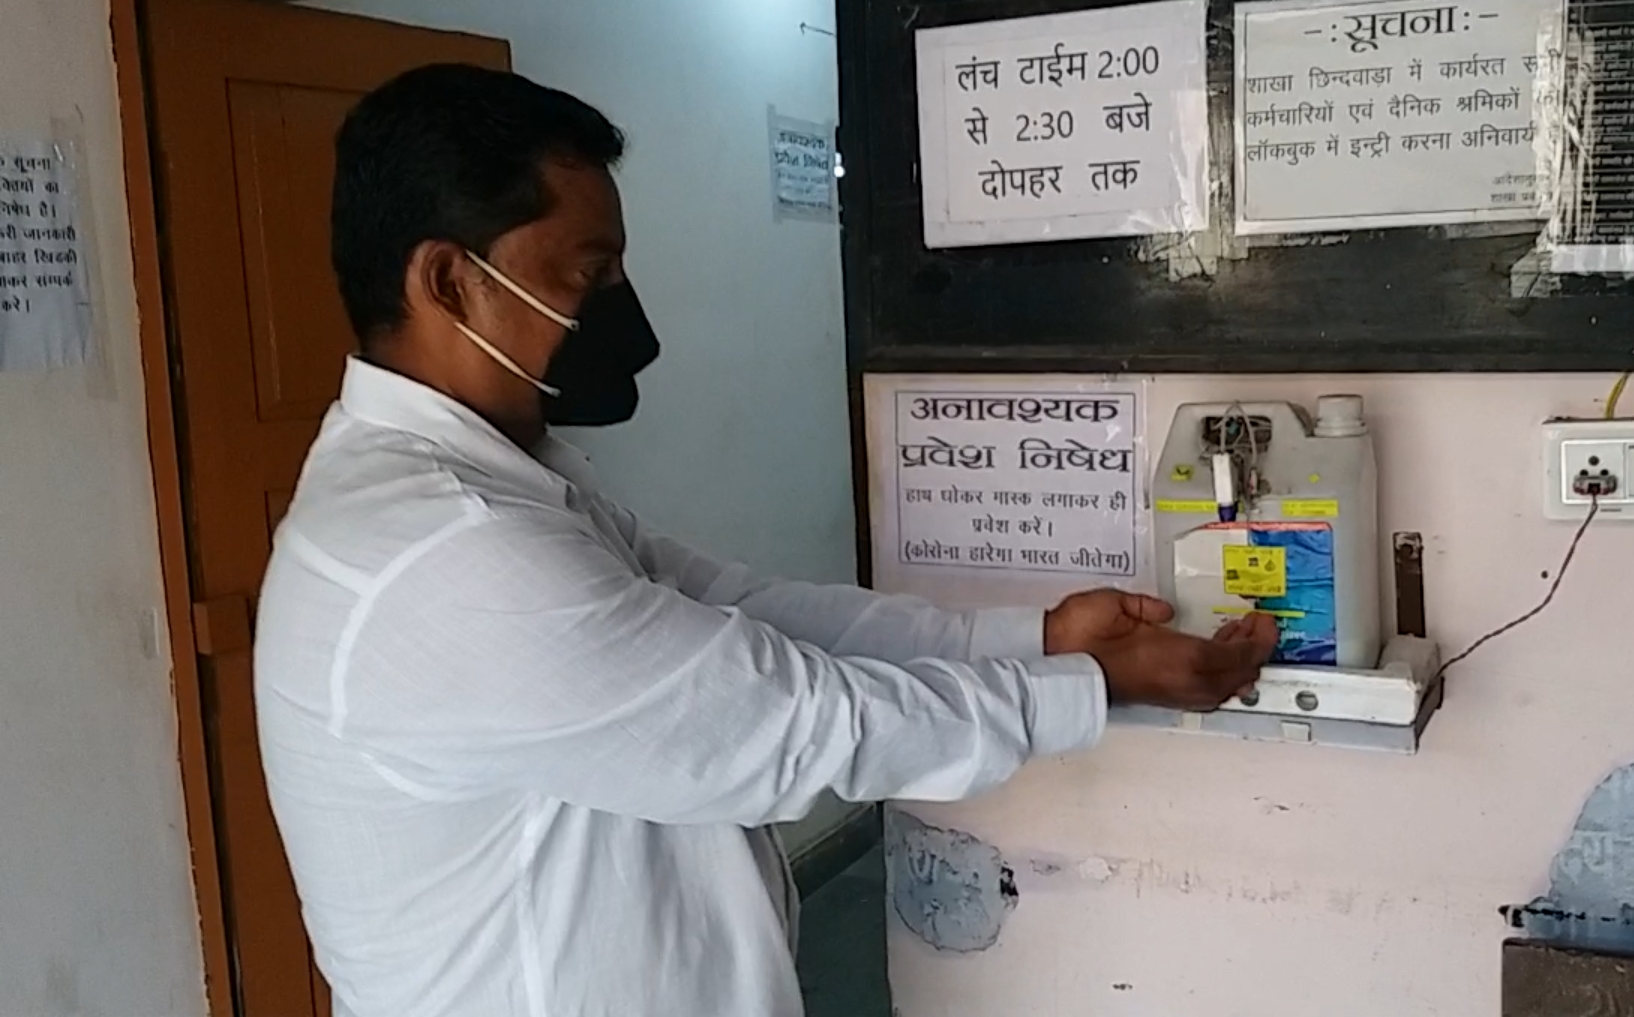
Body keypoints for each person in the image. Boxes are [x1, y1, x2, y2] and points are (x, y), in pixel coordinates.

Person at [253, 63, 1273, 1017]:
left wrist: (1037, 637)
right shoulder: (444, 553)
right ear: (448, 282)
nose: (623, 314)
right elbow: (787, 725)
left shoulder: (499, 486)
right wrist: (1098, 687)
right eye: (587, 273)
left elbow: (741, 614)